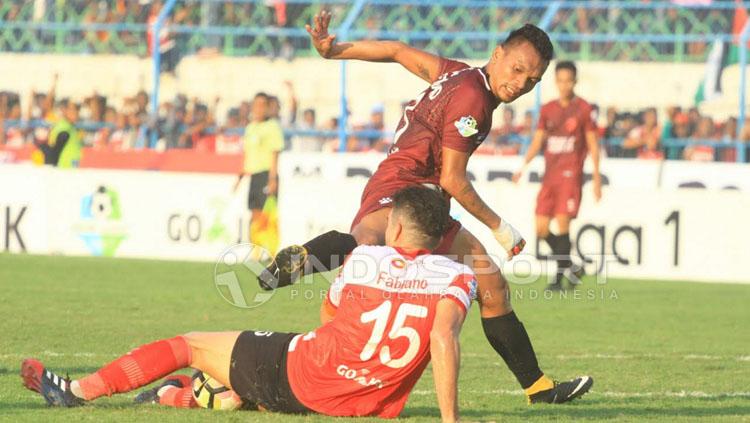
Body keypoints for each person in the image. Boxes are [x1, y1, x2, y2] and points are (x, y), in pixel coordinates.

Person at [265, 11, 592, 404]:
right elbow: (454, 179)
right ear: (498, 53)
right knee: (481, 280)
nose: (520, 84)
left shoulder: (457, 73)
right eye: (518, 69)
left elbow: (398, 51)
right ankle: (537, 387)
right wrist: (500, 226)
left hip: (393, 182)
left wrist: (333, 51)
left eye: (532, 80)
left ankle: (306, 258)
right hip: (416, 189)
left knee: (372, 244)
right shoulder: (474, 101)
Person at [22, 187, 493, 421]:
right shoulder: (457, 276)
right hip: (367, 404)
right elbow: (442, 338)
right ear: (439, 236)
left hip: (308, 375)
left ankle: (77, 391)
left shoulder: (365, 258)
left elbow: (330, 317)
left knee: (190, 344)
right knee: (247, 376)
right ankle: (176, 395)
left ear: (393, 228)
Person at [512, 61, 601, 291]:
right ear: (556, 82)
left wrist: (597, 179)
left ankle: (558, 280)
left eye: (568, 81)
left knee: (563, 225)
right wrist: (523, 166)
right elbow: (538, 141)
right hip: (549, 177)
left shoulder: (583, 109)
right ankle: (572, 266)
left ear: (575, 81)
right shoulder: (548, 109)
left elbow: (592, 145)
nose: (564, 85)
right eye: (560, 81)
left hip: (570, 176)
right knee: (540, 229)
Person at [234, 92, 284, 251]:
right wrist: (240, 177)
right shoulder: (250, 128)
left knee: (267, 214)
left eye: (263, 105)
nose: (258, 109)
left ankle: (269, 250)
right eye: (256, 105)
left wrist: (273, 178)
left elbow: (274, 153)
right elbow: (248, 155)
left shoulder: (272, 127)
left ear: (268, 108)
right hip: (253, 175)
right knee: (254, 212)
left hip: (266, 174)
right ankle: (255, 249)